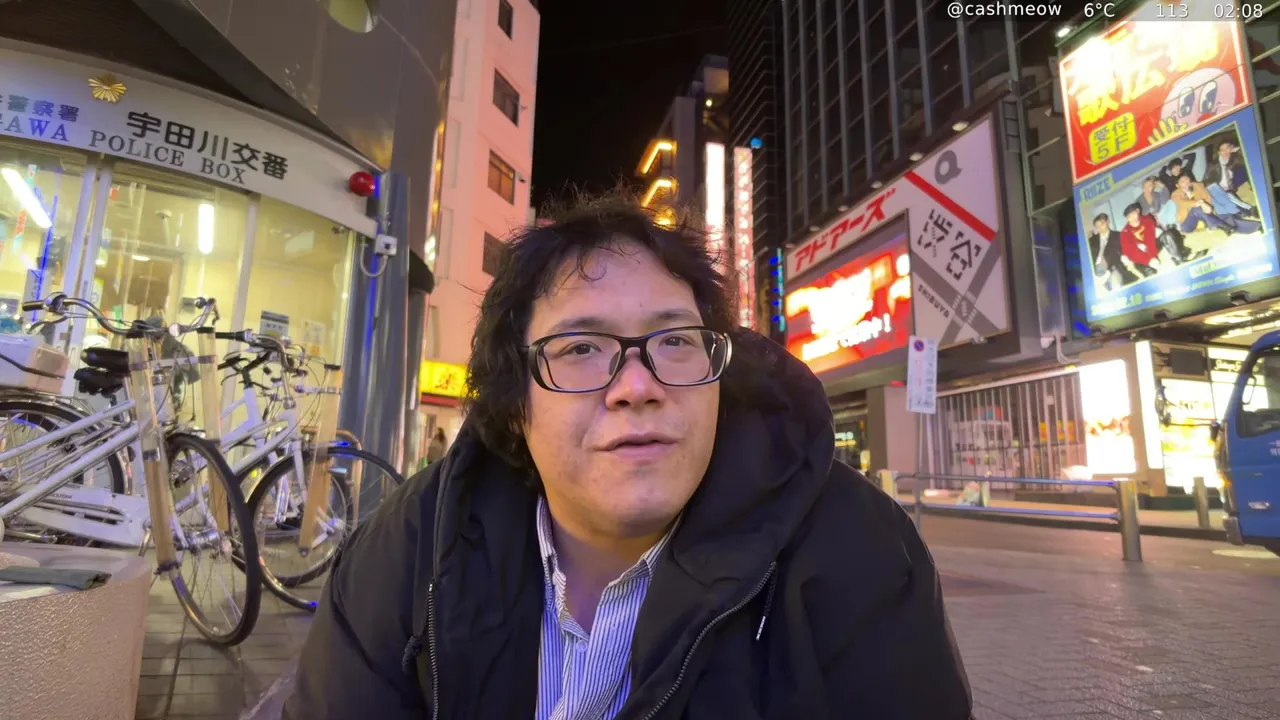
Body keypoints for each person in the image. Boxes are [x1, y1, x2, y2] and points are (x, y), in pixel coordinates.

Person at [285, 198, 973, 719]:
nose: (637, 387)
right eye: (581, 349)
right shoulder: (411, 548)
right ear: (515, 403)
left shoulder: (855, 549)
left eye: (675, 342)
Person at [1088, 213, 1138, 290]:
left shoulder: (1118, 236)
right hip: (1095, 268)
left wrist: (1108, 272)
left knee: (1115, 285)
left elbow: (1118, 255)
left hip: (1113, 267)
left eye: (1102, 224)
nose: (1100, 228)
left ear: (1108, 222)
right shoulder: (1091, 240)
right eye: (1097, 226)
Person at [1119, 203, 1160, 277]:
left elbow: (1150, 240)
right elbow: (1129, 252)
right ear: (1127, 219)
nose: (1132, 218)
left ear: (1138, 211)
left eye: (1133, 214)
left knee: (1168, 235)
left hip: (1152, 247)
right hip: (1140, 256)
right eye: (1129, 217)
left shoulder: (1147, 220)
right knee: (1149, 272)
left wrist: (1153, 256)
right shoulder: (1124, 232)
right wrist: (1148, 261)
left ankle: (1179, 259)